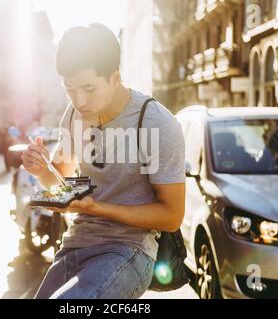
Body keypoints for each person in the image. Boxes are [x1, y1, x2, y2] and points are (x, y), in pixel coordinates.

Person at [22, 24, 186, 299]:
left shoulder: (155, 122)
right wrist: (42, 169)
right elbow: (60, 187)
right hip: (75, 244)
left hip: (129, 249)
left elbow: (171, 216)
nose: (79, 101)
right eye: (70, 89)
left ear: (115, 77)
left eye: (88, 88)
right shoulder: (74, 117)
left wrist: (98, 208)